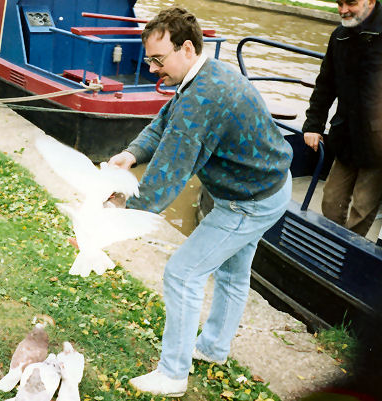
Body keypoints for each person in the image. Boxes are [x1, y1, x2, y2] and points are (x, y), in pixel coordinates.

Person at [107, 7, 293, 397]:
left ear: (186, 48)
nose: (152, 68)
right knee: (231, 274)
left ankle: (173, 374)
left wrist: (114, 218)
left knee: (183, 274)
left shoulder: (203, 98)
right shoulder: (203, 74)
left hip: (249, 201)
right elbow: (166, 120)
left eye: (158, 60)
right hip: (269, 186)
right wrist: (132, 153)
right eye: (149, 59)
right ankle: (212, 348)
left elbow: (166, 179)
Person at [303, 0, 382, 237]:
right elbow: (325, 84)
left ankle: (347, 257)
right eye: (339, 3)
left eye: (351, 3)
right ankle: (333, 244)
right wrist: (313, 124)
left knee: (363, 208)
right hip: (347, 136)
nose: (343, 10)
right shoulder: (340, 37)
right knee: (331, 201)